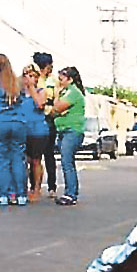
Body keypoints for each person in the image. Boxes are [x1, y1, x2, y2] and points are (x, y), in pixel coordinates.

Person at [0, 54, 27, 206]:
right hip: (18, 122)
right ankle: (20, 195)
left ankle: (3, 195)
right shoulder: (17, 82)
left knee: (2, 160)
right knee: (18, 159)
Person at [53, 66, 86, 206]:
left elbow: (57, 107)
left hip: (72, 131)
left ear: (70, 79)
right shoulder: (67, 91)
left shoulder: (72, 93)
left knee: (67, 162)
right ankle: (70, 192)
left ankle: (71, 194)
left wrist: (56, 95)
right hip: (63, 130)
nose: (59, 82)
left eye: (61, 79)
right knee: (67, 161)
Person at [20, 63, 49, 202]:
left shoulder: (41, 91)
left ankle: (36, 188)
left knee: (36, 160)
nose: (29, 78)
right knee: (24, 160)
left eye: (32, 76)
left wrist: (31, 88)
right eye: (27, 75)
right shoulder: (19, 93)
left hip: (38, 131)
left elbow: (40, 104)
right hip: (23, 130)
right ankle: (23, 188)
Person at [33, 52, 59, 198]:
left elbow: (57, 98)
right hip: (34, 117)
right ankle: (33, 185)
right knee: (33, 155)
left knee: (49, 154)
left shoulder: (53, 81)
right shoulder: (34, 79)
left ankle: (52, 186)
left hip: (48, 118)